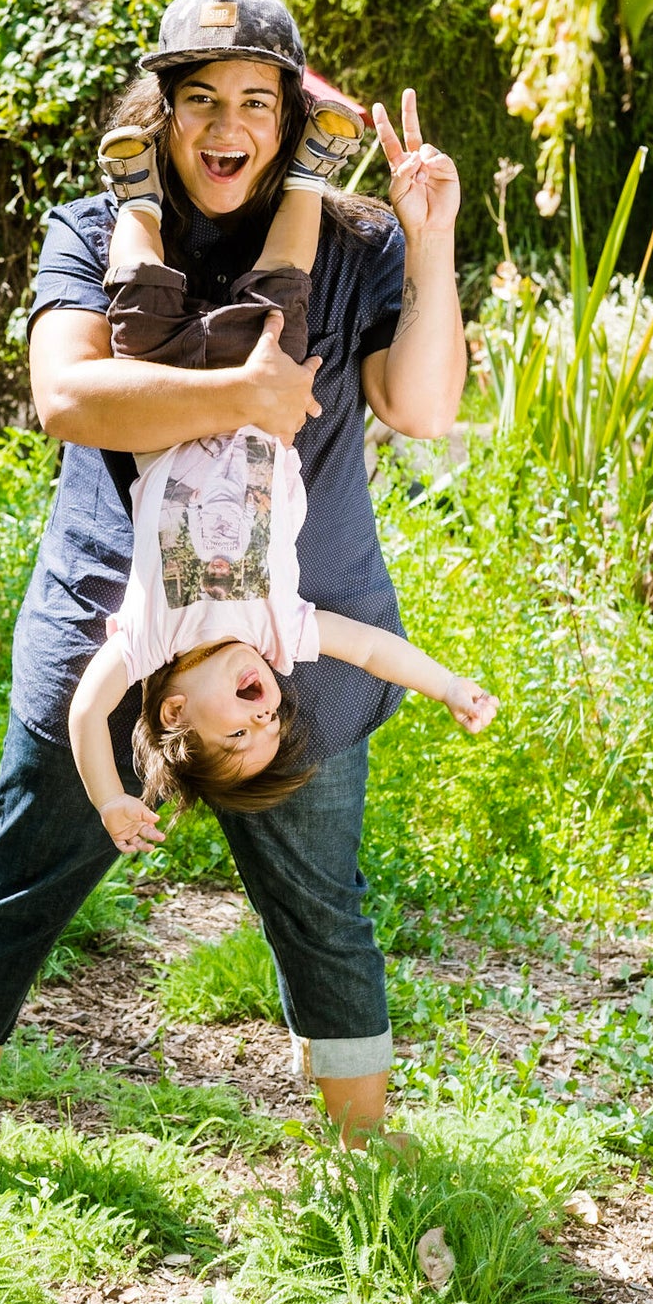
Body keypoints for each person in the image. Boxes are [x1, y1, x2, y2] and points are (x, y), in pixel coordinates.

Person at [0, 0, 473, 1201]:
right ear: (164, 112)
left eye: (253, 100)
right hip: (111, 619)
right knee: (23, 869)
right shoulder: (94, 226)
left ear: (289, 120)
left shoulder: (353, 242)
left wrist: (431, 233)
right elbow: (68, 399)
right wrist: (242, 399)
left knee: (318, 899)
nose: (222, 125)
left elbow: (423, 408)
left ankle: (361, 1151)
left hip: (300, 649)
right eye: (197, 99)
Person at [71, 102, 497, 852]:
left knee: (140, 298)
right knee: (283, 292)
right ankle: (307, 179)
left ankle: (136, 194)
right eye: (269, 723)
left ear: (173, 714)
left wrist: (109, 798)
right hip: (266, 396)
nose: (263, 714)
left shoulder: (145, 642)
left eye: (240, 731)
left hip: (166, 393)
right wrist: (448, 685)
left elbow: (83, 712)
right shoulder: (274, 633)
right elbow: (368, 650)